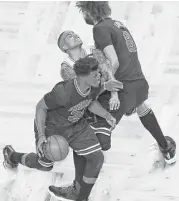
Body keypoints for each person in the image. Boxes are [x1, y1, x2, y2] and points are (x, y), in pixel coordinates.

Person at [3, 57, 119, 201]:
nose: (99, 77)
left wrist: (107, 115)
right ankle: (12, 156)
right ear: (82, 78)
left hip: (76, 125)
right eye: (95, 75)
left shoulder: (95, 85)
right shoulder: (63, 92)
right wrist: (41, 136)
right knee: (44, 165)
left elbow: (90, 102)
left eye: (99, 74)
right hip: (53, 129)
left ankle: (80, 196)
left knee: (96, 158)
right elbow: (41, 107)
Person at [74, 1, 176, 164]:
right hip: (139, 85)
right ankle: (166, 148)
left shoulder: (99, 29)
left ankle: (81, 184)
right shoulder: (118, 25)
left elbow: (113, 62)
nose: (83, 15)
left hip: (123, 89)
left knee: (86, 117)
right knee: (141, 106)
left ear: (89, 11)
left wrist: (109, 91)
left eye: (83, 12)